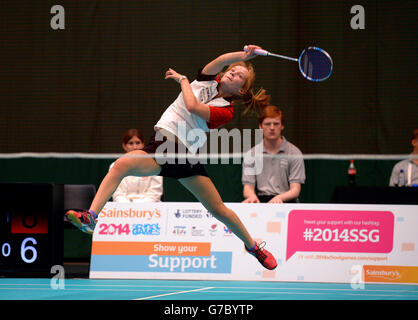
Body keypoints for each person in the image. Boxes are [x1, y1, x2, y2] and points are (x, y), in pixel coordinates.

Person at [66, 45, 277, 270]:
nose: (232, 73)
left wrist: (183, 80)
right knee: (120, 165)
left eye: (239, 76)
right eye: (232, 70)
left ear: (242, 90)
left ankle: (254, 246)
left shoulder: (226, 111)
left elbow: (192, 106)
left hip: (183, 155)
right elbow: (220, 59)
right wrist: (244, 55)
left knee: (218, 209)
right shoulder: (207, 78)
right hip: (160, 146)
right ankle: (91, 218)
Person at [242, 106, 305, 203]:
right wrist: (252, 196)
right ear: (260, 126)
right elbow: (248, 188)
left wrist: (280, 198)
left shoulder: (294, 153)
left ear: (282, 126)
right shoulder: (252, 154)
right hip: (260, 201)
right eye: (267, 124)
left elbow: (295, 189)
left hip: (287, 201)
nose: (272, 128)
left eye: (276, 124)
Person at [110, 129, 163, 203]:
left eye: (138, 143)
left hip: (150, 210)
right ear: (124, 146)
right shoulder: (114, 166)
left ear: (143, 145)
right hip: (124, 210)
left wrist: (135, 203)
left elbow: (154, 195)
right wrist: (130, 208)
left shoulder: (154, 165)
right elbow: (117, 195)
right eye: (131, 143)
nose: (135, 147)